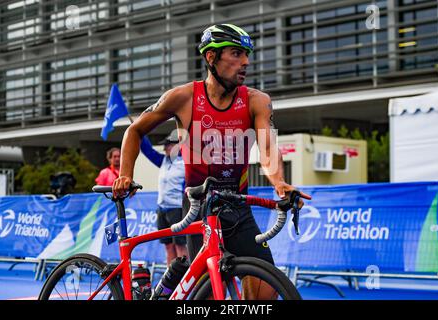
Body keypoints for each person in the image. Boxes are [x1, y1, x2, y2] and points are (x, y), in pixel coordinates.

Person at [113, 24, 309, 298]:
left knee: (265, 294)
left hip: (237, 207)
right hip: (198, 208)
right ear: (211, 58)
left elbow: (267, 148)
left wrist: (280, 184)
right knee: (203, 296)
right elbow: (134, 130)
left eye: (247, 54)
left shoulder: (256, 101)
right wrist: (125, 174)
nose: (246, 62)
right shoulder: (183, 97)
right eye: (236, 53)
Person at [140, 131, 189, 265]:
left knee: (180, 245)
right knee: (168, 246)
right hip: (162, 209)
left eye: (168, 145)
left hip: (177, 209)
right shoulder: (163, 161)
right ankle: (171, 278)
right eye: (165, 145)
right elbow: (148, 151)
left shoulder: (186, 162)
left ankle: (184, 277)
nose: (165, 148)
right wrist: (140, 134)